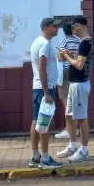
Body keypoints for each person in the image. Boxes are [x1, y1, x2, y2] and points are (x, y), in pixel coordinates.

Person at [57, 14, 93, 163]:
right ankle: (72, 145)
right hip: (74, 83)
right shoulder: (82, 42)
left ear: (82, 25)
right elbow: (78, 60)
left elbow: (79, 65)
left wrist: (66, 56)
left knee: (81, 118)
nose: (73, 29)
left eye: (75, 26)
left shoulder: (85, 43)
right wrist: (71, 55)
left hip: (79, 83)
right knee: (69, 115)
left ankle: (84, 150)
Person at [29, 17, 63, 170]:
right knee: (45, 124)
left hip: (37, 87)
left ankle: (35, 155)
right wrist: (47, 92)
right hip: (45, 88)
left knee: (36, 120)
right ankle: (45, 157)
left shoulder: (37, 41)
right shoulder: (44, 43)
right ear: (47, 27)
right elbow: (42, 68)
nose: (57, 29)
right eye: (55, 26)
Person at [55, 22, 81, 140]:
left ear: (64, 31)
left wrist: (60, 55)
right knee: (74, 102)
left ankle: (69, 129)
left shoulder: (64, 41)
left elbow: (60, 57)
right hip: (77, 73)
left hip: (66, 73)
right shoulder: (79, 41)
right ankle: (75, 128)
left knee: (66, 102)